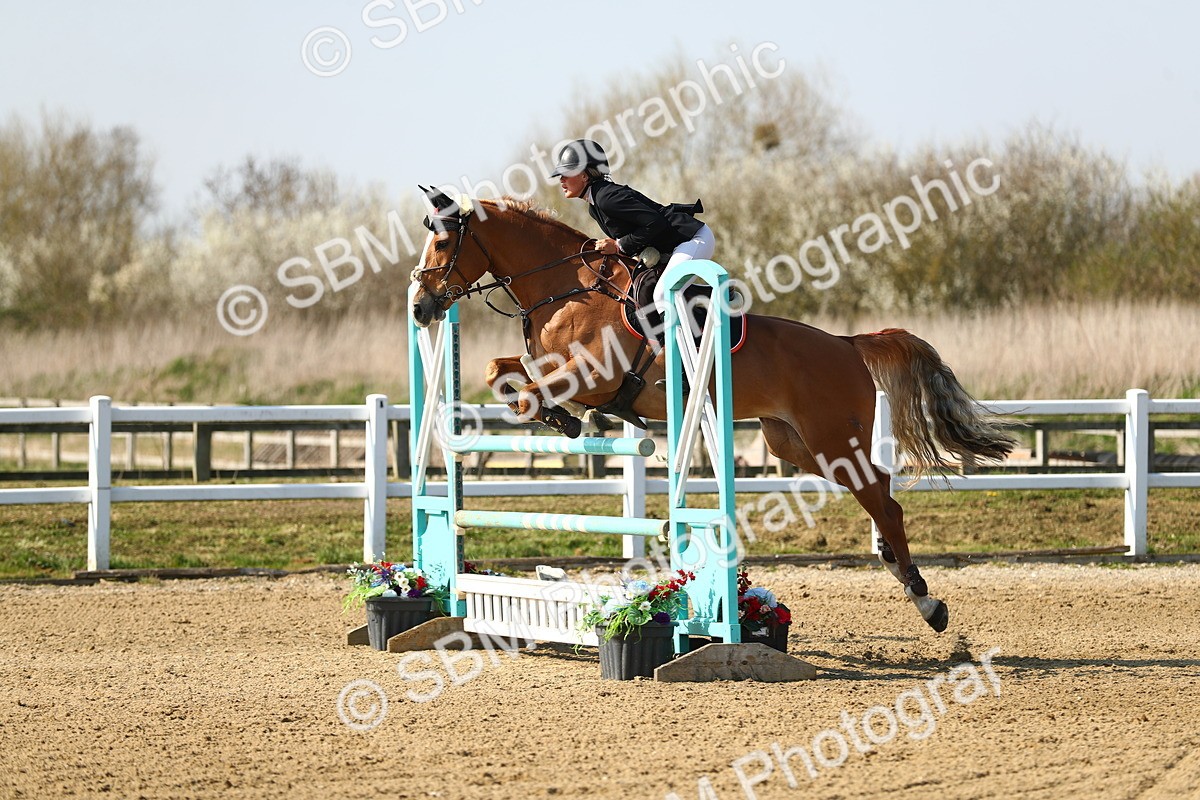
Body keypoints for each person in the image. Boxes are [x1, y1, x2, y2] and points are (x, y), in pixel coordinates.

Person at [549, 139, 714, 393]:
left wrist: (619, 245)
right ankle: (705, 299)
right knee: (640, 290)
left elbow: (656, 223)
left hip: (693, 240)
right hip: (672, 246)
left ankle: (687, 368)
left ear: (583, 175)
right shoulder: (596, 204)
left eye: (566, 173)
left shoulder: (606, 197)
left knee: (663, 293)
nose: (561, 180)